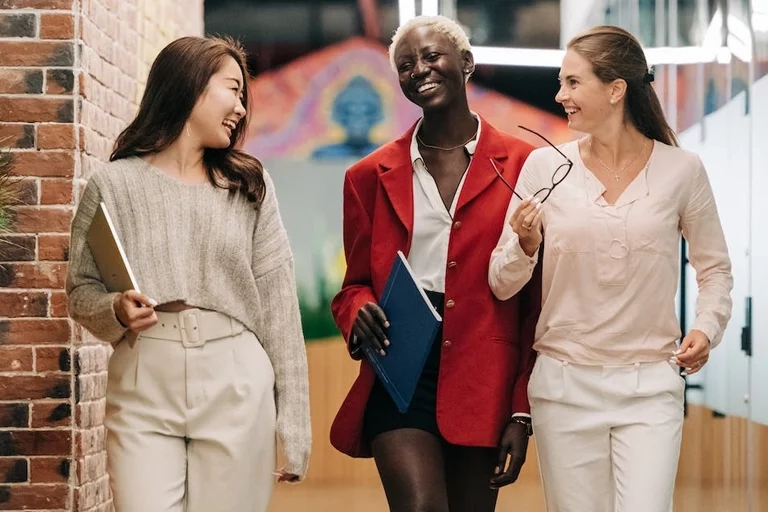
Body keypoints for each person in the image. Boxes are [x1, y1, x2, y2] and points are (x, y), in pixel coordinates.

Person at [489, 25, 733, 512]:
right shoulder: (543, 167)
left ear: (616, 89)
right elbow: (501, 282)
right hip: (564, 388)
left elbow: (715, 270)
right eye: (561, 82)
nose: (560, 95)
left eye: (573, 82)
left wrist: (706, 328)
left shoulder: (682, 170)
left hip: (650, 387)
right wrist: (525, 244)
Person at [66, 36, 311, 512]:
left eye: (243, 96)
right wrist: (114, 308)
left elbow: (280, 306)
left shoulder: (249, 186)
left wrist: (295, 422)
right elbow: (80, 290)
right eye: (232, 89)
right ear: (190, 85)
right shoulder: (112, 185)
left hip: (236, 378)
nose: (241, 108)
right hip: (143, 379)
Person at [329, 15, 541, 512]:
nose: (419, 70)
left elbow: (535, 303)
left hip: (484, 373)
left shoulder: (525, 165)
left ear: (466, 62)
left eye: (431, 56)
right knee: (420, 505)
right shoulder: (367, 176)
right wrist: (357, 311)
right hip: (400, 364)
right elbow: (353, 285)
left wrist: (521, 410)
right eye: (406, 65)